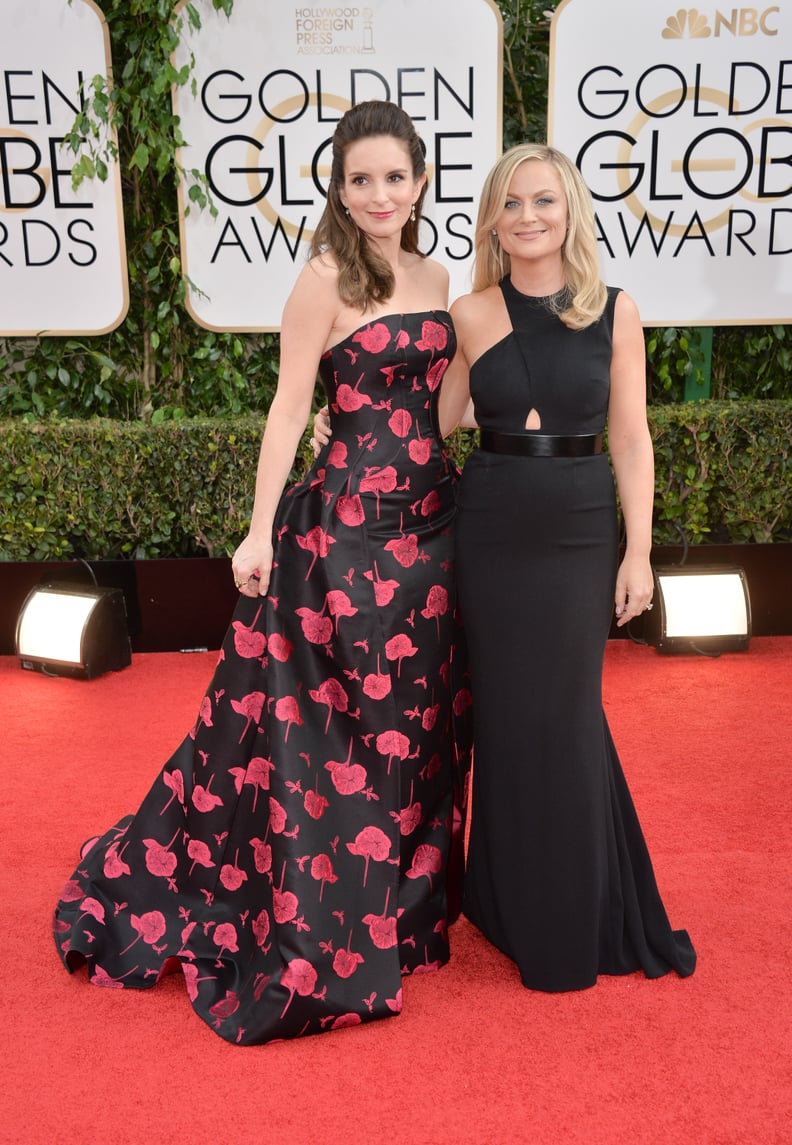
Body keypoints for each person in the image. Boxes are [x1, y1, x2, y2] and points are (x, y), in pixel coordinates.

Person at [53, 100, 472, 1046]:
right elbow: (289, 410)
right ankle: (329, 897)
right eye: (359, 179)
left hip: (432, 529)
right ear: (339, 187)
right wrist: (257, 533)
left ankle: (402, 898)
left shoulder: (439, 272)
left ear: (419, 182)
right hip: (340, 533)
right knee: (334, 718)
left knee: (415, 711)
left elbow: (445, 408)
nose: (378, 195)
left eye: (394, 178)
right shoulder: (321, 279)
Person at [313, 142, 695, 991]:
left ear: (570, 212)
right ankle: (505, 897)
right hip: (488, 525)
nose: (528, 216)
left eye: (544, 202)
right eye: (512, 202)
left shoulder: (614, 310)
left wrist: (639, 551)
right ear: (492, 216)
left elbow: (632, 438)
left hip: (576, 524)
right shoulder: (471, 311)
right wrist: (342, 430)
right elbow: (434, 420)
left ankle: (573, 917)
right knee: (505, 721)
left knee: (564, 714)